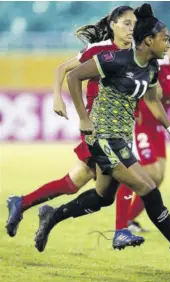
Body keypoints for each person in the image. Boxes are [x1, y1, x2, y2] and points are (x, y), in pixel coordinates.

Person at [34, 3, 170, 266]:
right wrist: (84, 119)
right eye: (164, 39)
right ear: (148, 40)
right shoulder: (114, 59)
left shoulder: (152, 67)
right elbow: (73, 76)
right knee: (148, 188)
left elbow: (153, 100)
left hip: (121, 139)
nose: (167, 44)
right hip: (101, 138)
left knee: (102, 198)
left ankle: (52, 215)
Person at [6, 5, 144, 249]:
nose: (131, 29)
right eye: (125, 23)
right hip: (98, 127)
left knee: (77, 182)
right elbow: (63, 69)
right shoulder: (98, 50)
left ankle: (24, 203)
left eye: (134, 24)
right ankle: (121, 230)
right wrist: (57, 97)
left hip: (119, 127)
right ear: (112, 24)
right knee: (126, 172)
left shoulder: (136, 54)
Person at [116, 29, 170, 233]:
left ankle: (129, 219)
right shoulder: (156, 66)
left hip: (158, 127)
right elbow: (133, 86)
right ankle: (122, 207)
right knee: (149, 173)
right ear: (167, 46)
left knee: (158, 177)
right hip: (141, 122)